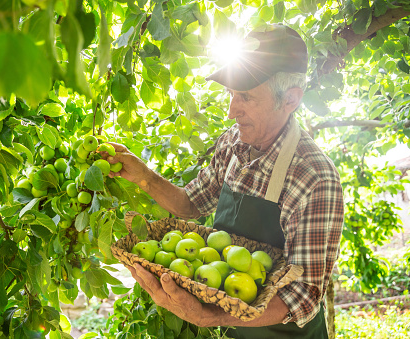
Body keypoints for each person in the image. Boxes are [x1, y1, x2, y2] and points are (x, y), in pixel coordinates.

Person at [104, 24, 344, 338]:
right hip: (232, 329)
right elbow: (191, 204)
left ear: (290, 99)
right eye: (231, 94)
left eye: (245, 97)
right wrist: (144, 177)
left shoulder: (313, 177)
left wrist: (210, 315)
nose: (231, 111)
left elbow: (304, 295)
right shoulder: (234, 142)